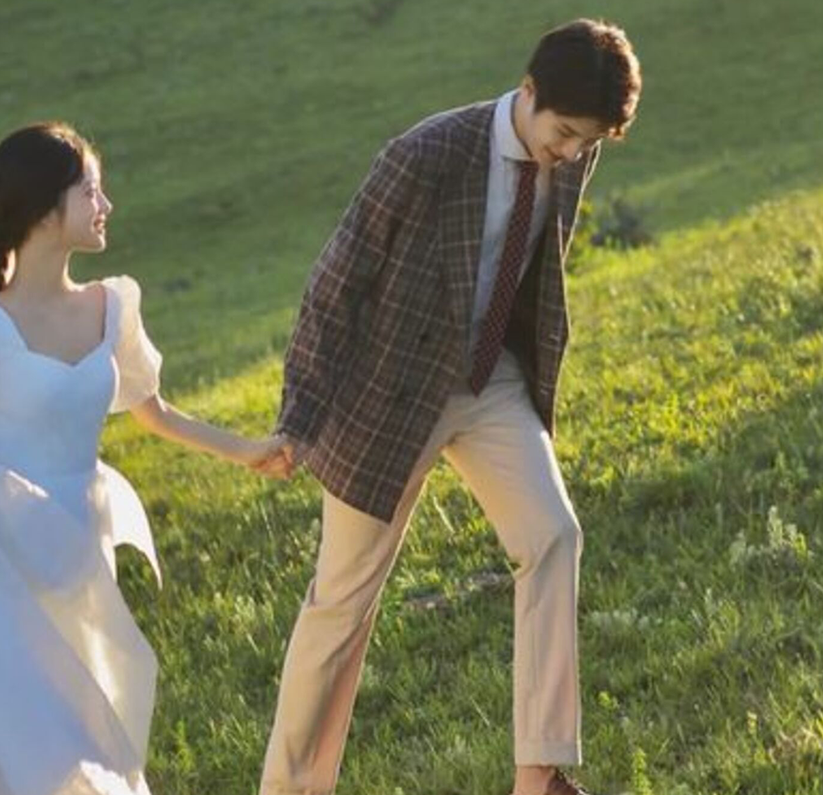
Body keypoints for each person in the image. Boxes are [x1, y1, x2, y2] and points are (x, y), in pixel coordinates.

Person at [0, 121, 290, 795]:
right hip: (3, 567)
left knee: (87, 740)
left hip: (80, 557)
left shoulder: (112, 307)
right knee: (29, 748)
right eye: (90, 191)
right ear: (45, 211)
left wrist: (248, 450)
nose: (106, 205)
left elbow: (155, 410)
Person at [259, 19, 643, 795]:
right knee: (342, 604)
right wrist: (298, 416)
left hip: (490, 377)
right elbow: (336, 284)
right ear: (528, 92)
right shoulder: (425, 155)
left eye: (588, 141)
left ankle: (538, 776)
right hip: (390, 391)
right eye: (565, 134)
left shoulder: (572, 149)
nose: (572, 153)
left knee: (553, 535)